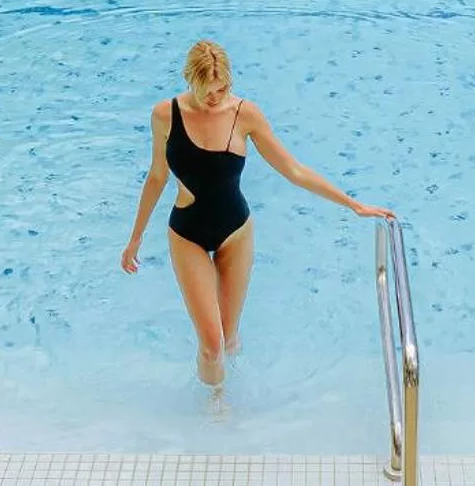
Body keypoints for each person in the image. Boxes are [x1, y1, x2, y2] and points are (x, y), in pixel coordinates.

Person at [121, 39, 393, 386]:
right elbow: (157, 176)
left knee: (229, 339)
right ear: (190, 80)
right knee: (212, 346)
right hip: (187, 233)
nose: (214, 98)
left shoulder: (245, 114)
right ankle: (215, 405)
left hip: (235, 232)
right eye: (207, 92)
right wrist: (136, 238)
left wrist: (353, 204)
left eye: (221, 89)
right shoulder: (165, 115)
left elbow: (293, 170)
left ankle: (235, 391)